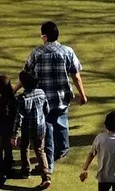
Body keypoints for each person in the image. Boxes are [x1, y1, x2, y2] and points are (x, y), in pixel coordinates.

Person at [26, 21, 87, 163]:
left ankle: (49, 155)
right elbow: (76, 76)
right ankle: (62, 149)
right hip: (62, 96)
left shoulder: (36, 53)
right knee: (62, 123)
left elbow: (26, 74)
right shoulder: (67, 51)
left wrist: (14, 90)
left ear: (45, 36)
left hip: (42, 98)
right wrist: (82, 95)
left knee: (46, 127)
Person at [79, 110, 115, 187]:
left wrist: (85, 169)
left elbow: (92, 154)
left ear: (106, 124)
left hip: (103, 177)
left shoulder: (100, 138)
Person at [17, 77, 53, 188]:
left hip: (26, 128)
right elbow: (46, 109)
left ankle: (25, 170)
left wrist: (14, 134)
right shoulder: (41, 92)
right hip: (40, 127)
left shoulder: (22, 98)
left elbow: (19, 118)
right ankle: (46, 175)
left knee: (24, 147)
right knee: (40, 151)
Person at [0, 75, 22, 187]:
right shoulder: (14, 101)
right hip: (10, 131)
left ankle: (1, 173)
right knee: (8, 150)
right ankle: (8, 170)